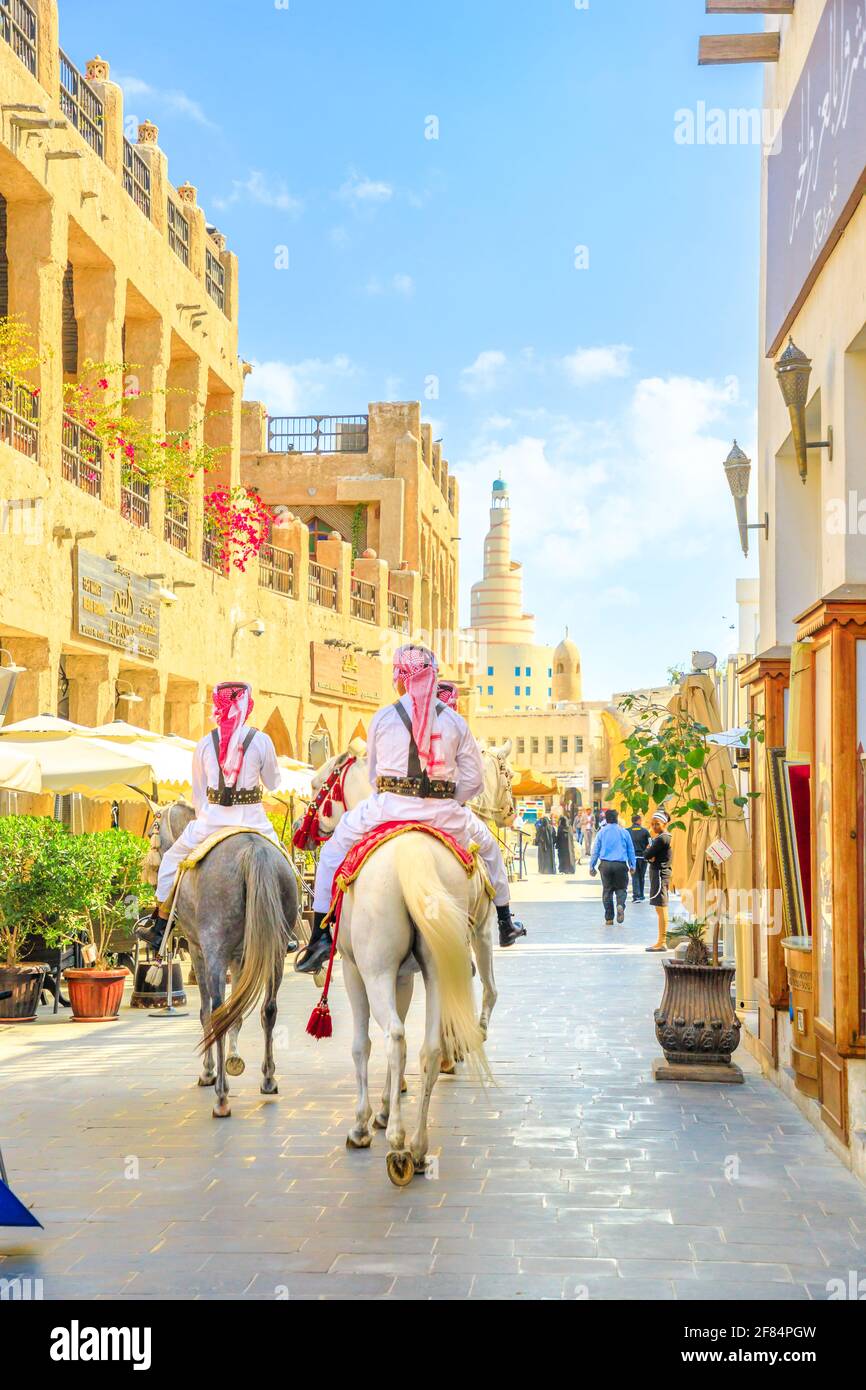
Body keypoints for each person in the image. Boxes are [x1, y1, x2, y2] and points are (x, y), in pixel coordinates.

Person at [296, 645, 526, 973]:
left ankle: (320, 936)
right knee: (490, 850)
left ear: (399, 679)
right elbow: (474, 782)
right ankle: (504, 921)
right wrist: (443, 798)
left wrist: (396, 795)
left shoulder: (384, 717)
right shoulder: (456, 723)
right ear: (433, 677)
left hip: (388, 809)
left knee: (333, 851)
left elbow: (375, 776)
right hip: (444, 814)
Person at [135, 681, 284, 952]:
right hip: (255, 822)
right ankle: (288, 927)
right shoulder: (261, 741)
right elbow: (273, 783)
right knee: (283, 860)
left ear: (218, 707)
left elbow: (199, 794)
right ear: (247, 707)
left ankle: (160, 924)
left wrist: (208, 818)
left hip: (212, 822)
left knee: (170, 860)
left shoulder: (205, 744)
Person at [589, 808, 636, 925]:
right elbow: (631, 850)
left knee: (607, 891)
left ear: (606, 818)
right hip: (620, 865)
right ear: (617, 818)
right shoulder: (624, 832)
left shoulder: (601, 832)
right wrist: (632, 865)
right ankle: (620, 904)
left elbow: (595, 850)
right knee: (621, 889)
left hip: (605, 865)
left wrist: (592, 866)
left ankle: (609, 918)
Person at [644, 809, 673, 951]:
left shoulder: (662, 838)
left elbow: (647, 854)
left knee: (661, 908)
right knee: (659, 908)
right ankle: (661, 940)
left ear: (665, 823)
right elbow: (650, 855)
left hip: (660, 875)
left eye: (657, 824)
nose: (654, 827)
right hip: (660, 874)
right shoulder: (663, 837)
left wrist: (649, 851)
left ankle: (662, 942)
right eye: (652, 824)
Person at [627, 813, 651, 902]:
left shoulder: (627, 831)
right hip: (643, 857)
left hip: (632, 857)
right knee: (642, 876)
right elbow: (650, 844)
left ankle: (636, 896)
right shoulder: (645, 831)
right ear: (639, 821)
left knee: (635, 876)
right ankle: (641, 895)